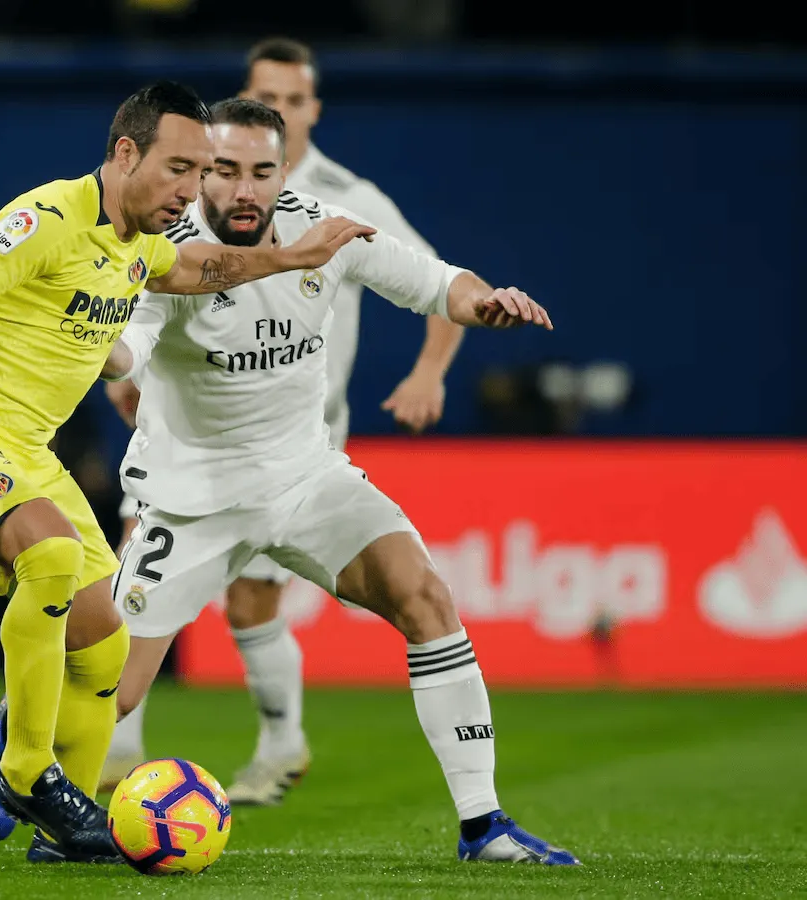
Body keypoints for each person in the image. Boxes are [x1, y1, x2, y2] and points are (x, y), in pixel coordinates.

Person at [0, 80, 374, 864]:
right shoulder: (50, 219)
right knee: (50, 554)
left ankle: (67, 828)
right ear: (125, 153)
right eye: (179, 168)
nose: (191, 189)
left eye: (200, 173)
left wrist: (288, 256)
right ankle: (25, 769)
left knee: (103, 642)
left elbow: (197, 267)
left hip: (26, 454)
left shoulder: (141, 242)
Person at [96, 98, 577, 864]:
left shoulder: (327, 230)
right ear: (202, 173)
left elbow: (438, 282)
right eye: (226, 171)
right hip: (190, 501)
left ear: (285, 171)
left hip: (305, 480)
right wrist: (103, 350)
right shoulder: (167, 256)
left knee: (425, 597)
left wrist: (482, 303)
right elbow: (129, 347)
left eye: (262, 171)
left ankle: (483, 825)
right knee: (110, 691)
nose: (244, 190)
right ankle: (26, 770)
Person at [102, 36, 467, 805]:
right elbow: (145, 309)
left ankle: (280, 744)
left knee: (255, 603)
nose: (285, 110)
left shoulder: (346, 200)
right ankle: (105, 754)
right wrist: (122, 368)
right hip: (189, 450)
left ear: (312, 110)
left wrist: (429, 371)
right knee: (129, 597)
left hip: (302, 447)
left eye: (296, 99)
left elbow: (437, 282)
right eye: (269, 97)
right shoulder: (185, 208)